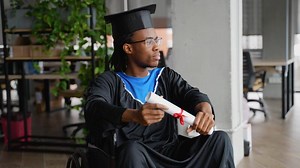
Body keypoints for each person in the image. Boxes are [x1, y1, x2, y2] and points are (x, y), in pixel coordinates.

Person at [84, 4, 235, 168]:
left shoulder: (165, 77)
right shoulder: (110, 81)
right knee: (131, 149)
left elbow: (191, 94)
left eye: (156, 39)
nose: (156, 46)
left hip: (172, 154)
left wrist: (205, 110)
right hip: (139, 158)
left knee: (220, 140)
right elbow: (94, 106)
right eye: (149, 41)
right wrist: (134, 115)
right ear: (128, 48)